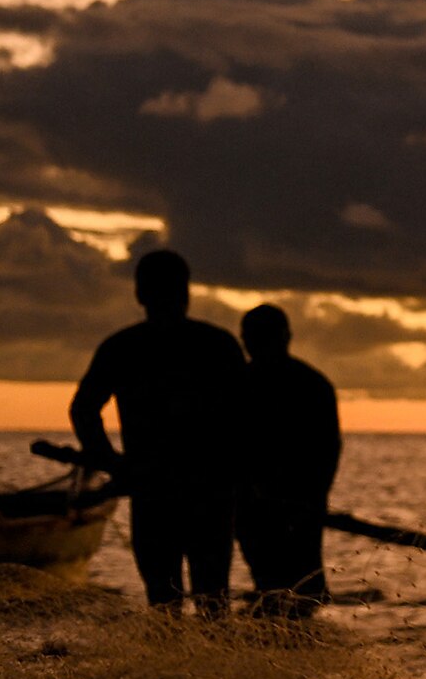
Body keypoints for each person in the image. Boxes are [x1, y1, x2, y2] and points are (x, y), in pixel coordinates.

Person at [69, 249, 251, 611]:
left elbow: (83, 409)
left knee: (163, 603)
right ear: (186, 292)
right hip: (208, 494)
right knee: (213, 601)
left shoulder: (123, 347)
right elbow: (248, 418)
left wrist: (113, 463)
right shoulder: (218, 345)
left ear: (139, 294)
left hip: (154, 493)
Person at [234, 303, 343, 614]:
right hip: (259, 504)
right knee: (278, 585)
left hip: (297, 503)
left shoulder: (310, 385)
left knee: (293, 587)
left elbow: (326, 450)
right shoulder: (243, 383)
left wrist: (310, 500)